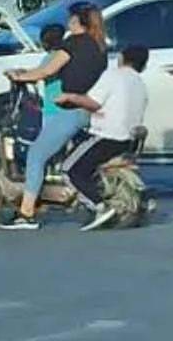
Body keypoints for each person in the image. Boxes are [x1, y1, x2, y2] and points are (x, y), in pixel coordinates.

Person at [2, 2, 108, 231]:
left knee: (36, 155)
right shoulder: (99, 47)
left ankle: (26, 214)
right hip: (85, 109)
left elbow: (47, 70)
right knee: (54, 155)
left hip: (67, 110)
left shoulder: (73, 44)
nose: (68, 23)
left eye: (71, 19)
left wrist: (19, 76)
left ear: (79, 22)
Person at [61, 44, 150, 231]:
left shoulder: (113, 75)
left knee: (70, 170)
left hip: (106, 137)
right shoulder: (139, 83)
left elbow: (93, 102)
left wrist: (71, 97)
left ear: (122, 58)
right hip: (127, 139)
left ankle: (99, 206)